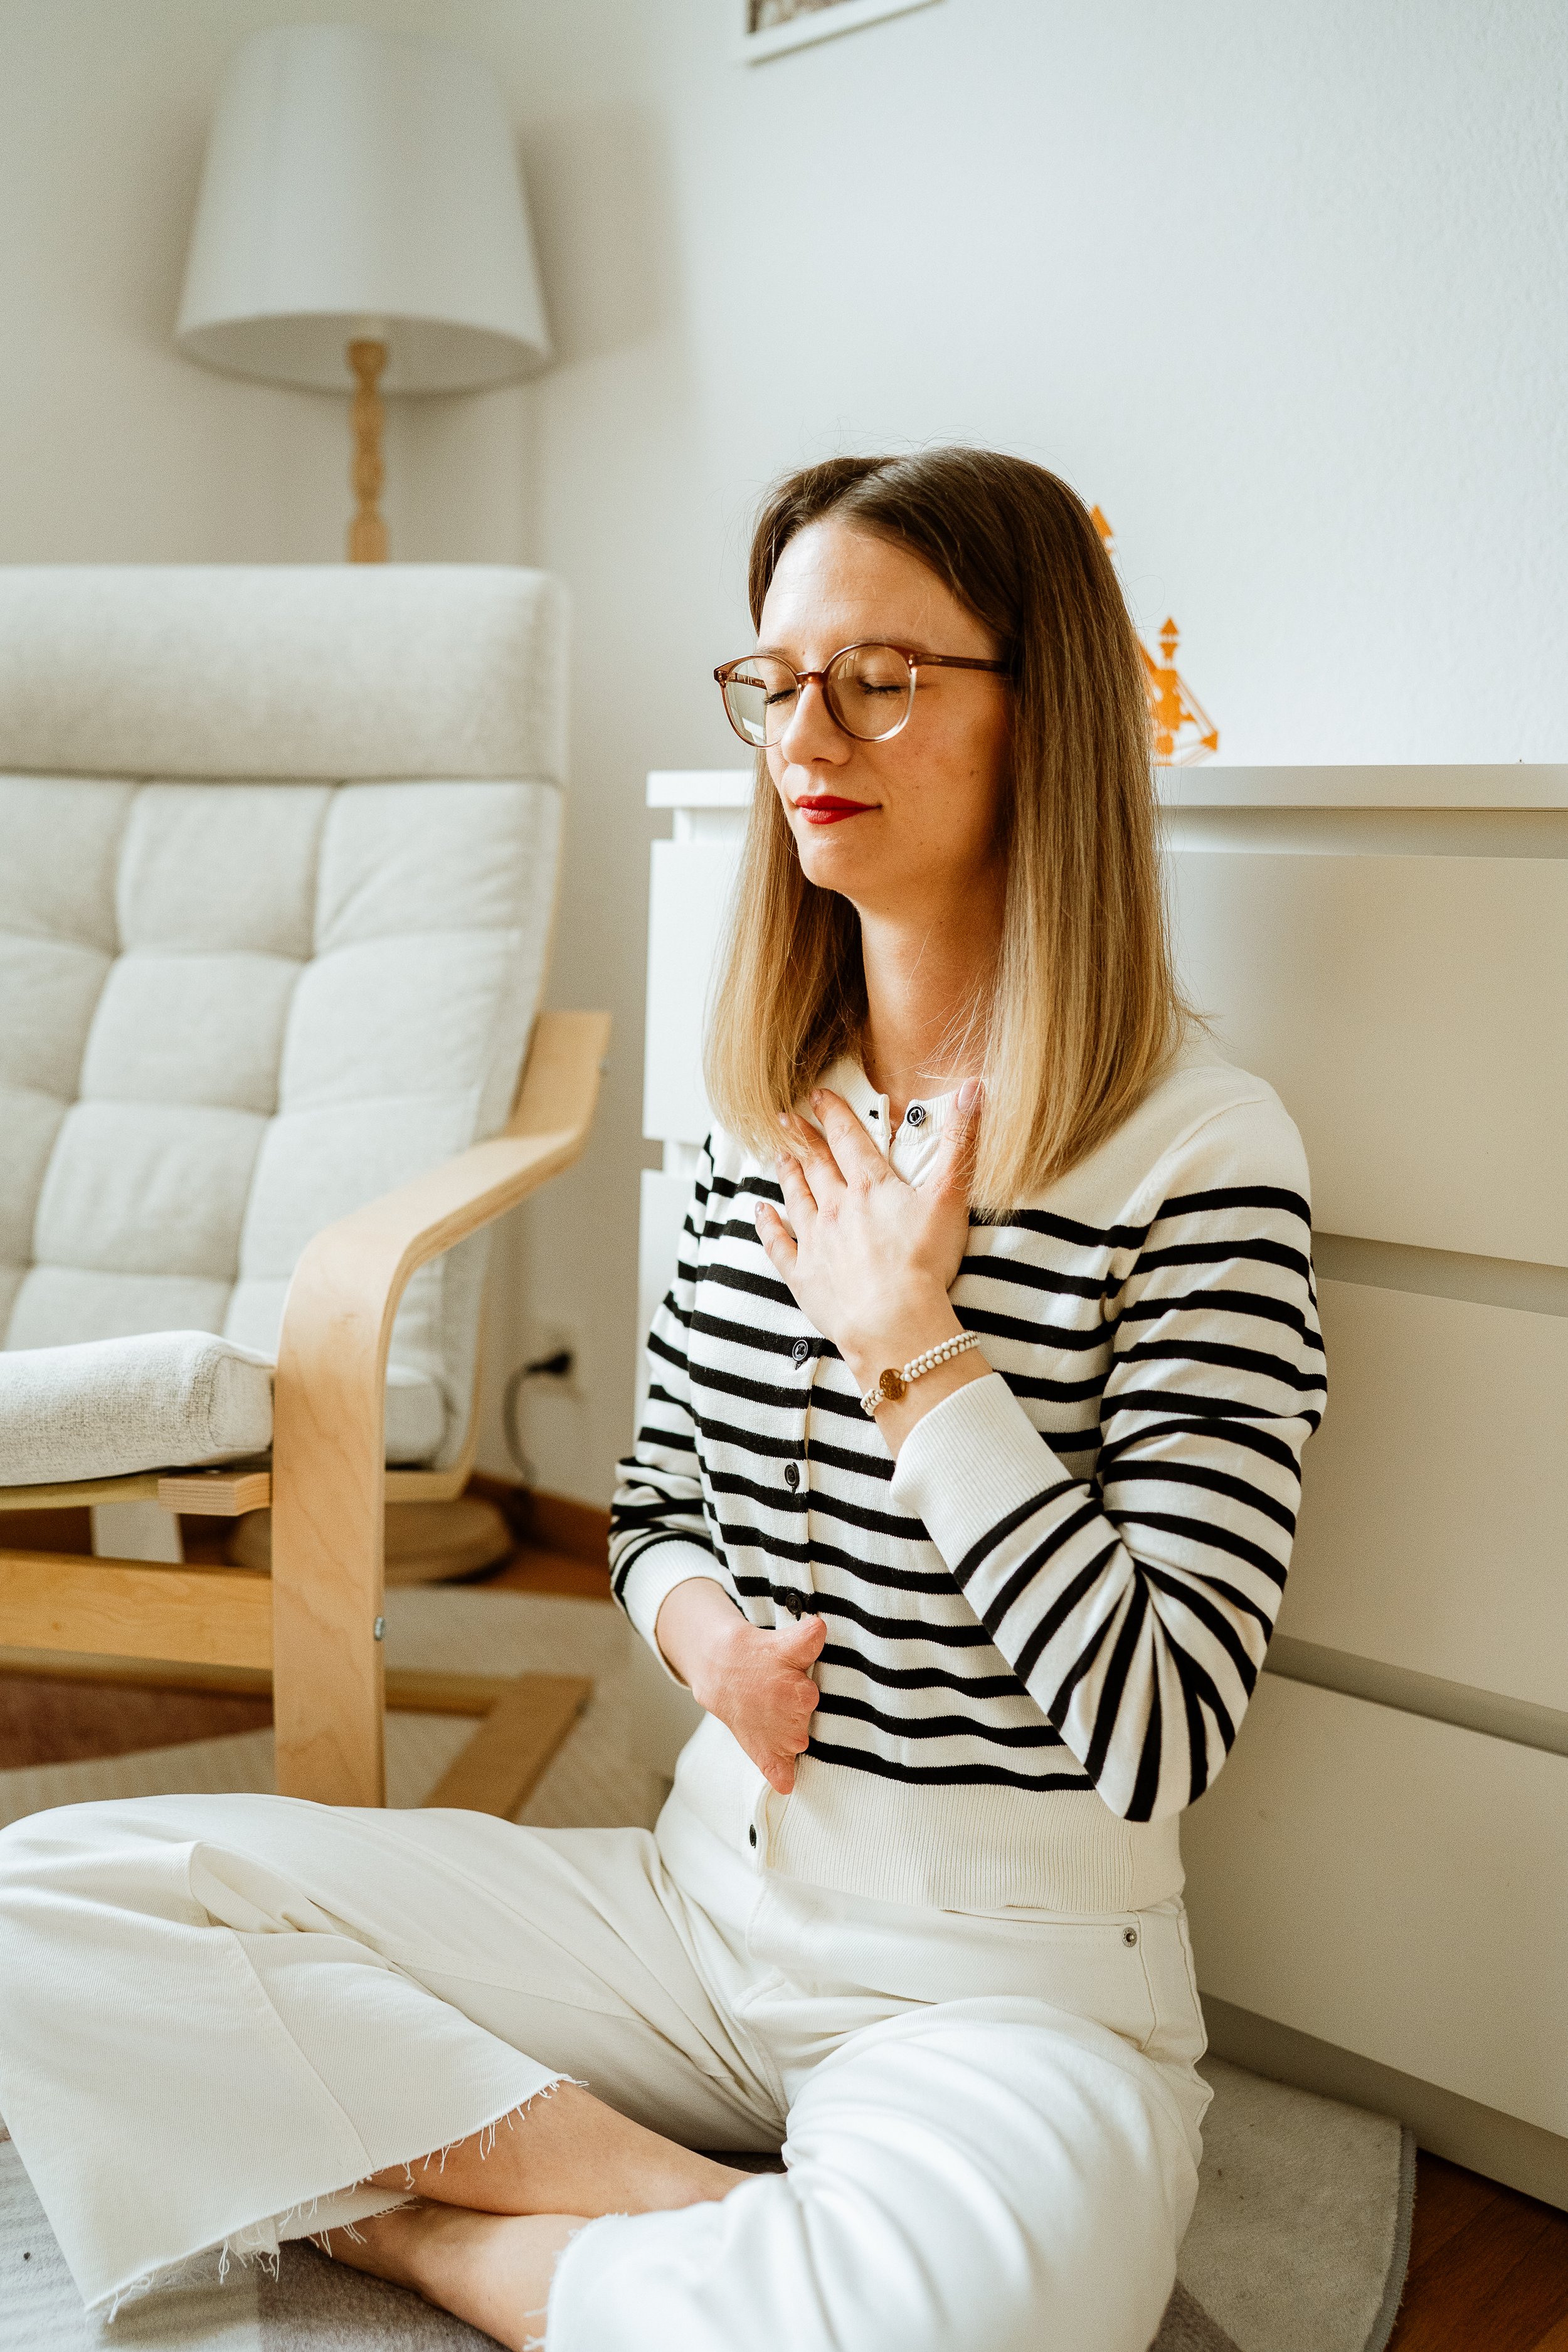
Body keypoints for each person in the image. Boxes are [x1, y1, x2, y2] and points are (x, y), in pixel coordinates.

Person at [0, 448, 1325, 2352]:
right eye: (774, 679)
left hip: (1005, 1982)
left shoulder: (1200, 1159)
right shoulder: (759, 1117)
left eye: (879, 675)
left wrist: (920, 1357)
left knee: (962, 2325)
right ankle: (653, 2202)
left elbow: (1159, 1725)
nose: (807, 730)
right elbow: (647, 1501)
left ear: (1047, 714)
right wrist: (697, 1630)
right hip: (688, 1913)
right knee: (44, 1900)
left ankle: (439, 2237)